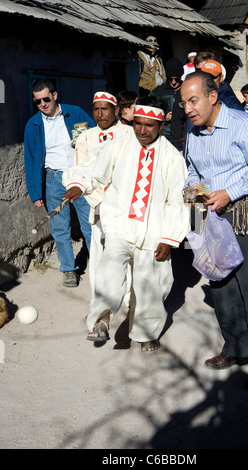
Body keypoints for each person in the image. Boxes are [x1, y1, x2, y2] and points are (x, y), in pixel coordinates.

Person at [62, 96, 190, 352]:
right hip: (120, 224)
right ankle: (101, 319)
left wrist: (169, 237)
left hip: (154, 230)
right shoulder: (118, 146)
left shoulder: (172, 158)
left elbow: (178, 201)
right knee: (110, 269)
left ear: (161, 125)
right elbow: (93, 169)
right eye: (137, 124)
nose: (142, 130)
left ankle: (146, 332)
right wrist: (79, 184)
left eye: (149, 125)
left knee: (151, 283)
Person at [180, 71, 248, 389]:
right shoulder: (193, 133)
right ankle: (235, 349)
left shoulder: (244, 124)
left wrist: (230, 192)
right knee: (221, 287)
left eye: (193, 100)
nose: (187, 108)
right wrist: (194, 225)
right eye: (183, 102)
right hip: (211, 217)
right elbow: (192, 172)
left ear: (212, 97)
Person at [24, 79, 95, 287]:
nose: (43, 104)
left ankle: (101, 265)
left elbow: (94, 140)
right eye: (38, 101)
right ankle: (68, 270)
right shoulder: (33, 125)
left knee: (89, 224)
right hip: (54, 179)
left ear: (55, 95)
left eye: (46, 99)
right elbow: (30, 158)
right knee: (60, 228)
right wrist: (35, 191)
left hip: (79, 177)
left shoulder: (76, 113)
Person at [74, 91, 134, 316]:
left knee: (126, 254)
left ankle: (128, 298)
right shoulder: (85, 138)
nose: (100, 114)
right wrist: (99, 203)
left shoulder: (130, 133)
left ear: (116, 110)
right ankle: (101, 301)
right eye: (96, 109)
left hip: (126, 207)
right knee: (100, 255)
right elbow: (82, 176)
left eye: (105, 109)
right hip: (99, 208)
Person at [150, 58, 184, 145]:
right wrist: (164, 117)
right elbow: (151, 112)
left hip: (183, 134)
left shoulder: (187, 89)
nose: (173, 82)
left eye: (176, 79)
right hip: (165, 134)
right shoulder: (158, 92)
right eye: (170, 79)